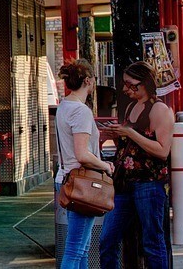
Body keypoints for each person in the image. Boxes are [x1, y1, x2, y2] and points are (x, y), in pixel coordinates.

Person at [100, 62, 175, 269]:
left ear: (144, 83)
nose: (125, 89)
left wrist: (129, 133)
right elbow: (131, 146)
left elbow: (162, 150)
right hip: (124, 183)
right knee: (108, 239)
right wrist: (115, 135)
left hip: (148, 183)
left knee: (152, 241)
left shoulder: (159, 109)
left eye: (129, 84)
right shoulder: (132, 107)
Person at [56, 59, 113, 269]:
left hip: (68, 179)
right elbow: (82, 154)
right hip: (82, 183)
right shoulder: (81, 111)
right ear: (88, 80)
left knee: (82, 248)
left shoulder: (64, 106)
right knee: (76, 249)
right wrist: (105, 166)